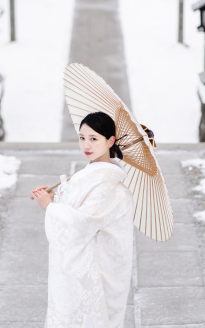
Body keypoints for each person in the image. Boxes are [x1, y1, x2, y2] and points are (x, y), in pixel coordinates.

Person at [31, 112, 134, 328]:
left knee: (89, 318)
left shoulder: (108, 181)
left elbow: (84, 221)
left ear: (110, 141)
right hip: (83, 261)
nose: (86, 145)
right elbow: (80, 207)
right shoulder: (92, 171)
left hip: (94, 264)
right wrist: (54, 198)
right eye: (82, 137)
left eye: (94, 138)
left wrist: (50, 207)